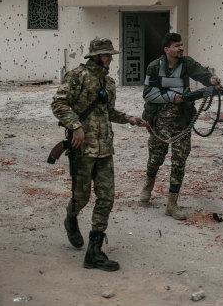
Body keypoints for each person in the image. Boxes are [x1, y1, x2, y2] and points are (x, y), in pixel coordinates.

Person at [51, 37, 146, 272]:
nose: (110, 59)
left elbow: (108, 111)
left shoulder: (109, 82)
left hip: (105, 149)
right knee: (81, 198)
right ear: (95, 56)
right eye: (106, 55)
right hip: (82, 149)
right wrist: (76, 126)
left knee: (106, 198)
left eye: (110, 55)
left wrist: (129, 119)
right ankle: (71, 217)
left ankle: (94, 251)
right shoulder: (77, 76)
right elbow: (59, 104)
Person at [139, 32, 221, 220]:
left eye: (182, 45)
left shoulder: (187, 63)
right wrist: (170, 97)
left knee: (179, 162)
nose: (181, 48)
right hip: (160, 122)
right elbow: (148, 93)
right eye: (177, 46)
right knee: (155, 159)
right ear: (167, 49)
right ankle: (148, 185)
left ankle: (172, 204)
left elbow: (203, 74)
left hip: (183, 121)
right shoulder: (154, 67)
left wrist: (212, 80)